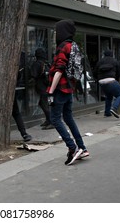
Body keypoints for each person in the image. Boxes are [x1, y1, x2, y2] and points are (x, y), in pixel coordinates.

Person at [47, 19, 89, 165]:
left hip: (60, 88)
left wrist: (51, 91)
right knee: (68, 118)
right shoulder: (73, 45)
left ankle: (72, 148)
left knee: (55, 119)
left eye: (56, 31)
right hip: (69, 88)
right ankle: (82, 148)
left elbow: (59, 69)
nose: (55, 34)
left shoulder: (63, 46)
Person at [95, 50, 120, 118]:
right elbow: (119, 72)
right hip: (111, 80)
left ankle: (107, 112)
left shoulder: (100, 62)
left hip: (101, 82)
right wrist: (116, 79)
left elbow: (95, 72)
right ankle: (114, 108)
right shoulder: (114, 61)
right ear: (112, 54)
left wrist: (98, 79)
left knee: (108, 96)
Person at [30, 48, 53, 129]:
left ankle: (51, 121)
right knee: (42, 103)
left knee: (44, 104)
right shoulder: (47, 63)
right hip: (48, 87)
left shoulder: (37, 64)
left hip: (42, 87)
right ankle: (48, 120)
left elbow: (33, 76)